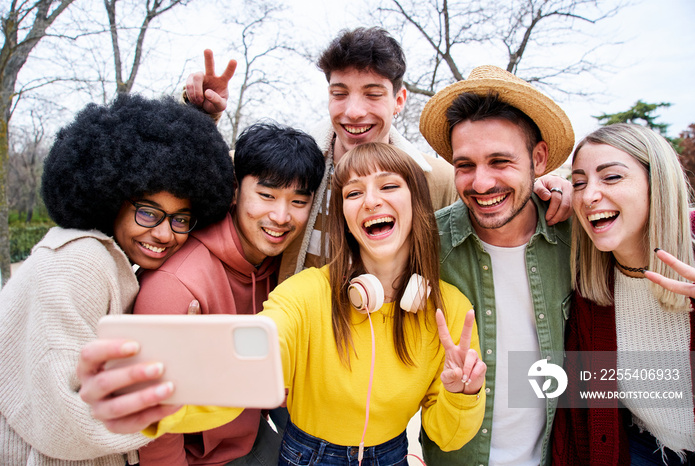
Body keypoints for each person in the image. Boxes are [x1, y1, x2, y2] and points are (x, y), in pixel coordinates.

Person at [77, 142, 488, 465]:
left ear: (417, 203)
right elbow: (244, 370)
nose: (370, 201)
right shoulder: (302, 295)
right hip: (307, 457)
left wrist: (461, 395)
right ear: (344, 214)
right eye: (354, 192)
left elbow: (447, 436)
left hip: (394, 455)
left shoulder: (449, 310)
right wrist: (157, 406)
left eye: (389, 186)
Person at [183, 29, 573, 282]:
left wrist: (549, 187)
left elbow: (492, 198)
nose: (353, 111)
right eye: (340, 93)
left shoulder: (433, 177)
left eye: (372, 94)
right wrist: (198, 116)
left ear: (399, 100)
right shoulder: (290, 164)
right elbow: (197, 178)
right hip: (292, 352)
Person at [0, 94, 234, 465]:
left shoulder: (114, 260)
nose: (164, 234)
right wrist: (183, 380)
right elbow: (66, 419)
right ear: (112, 198)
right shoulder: (80, 262)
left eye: (180, 219)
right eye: (148, 212)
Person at [133, 121, 325, 466]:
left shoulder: (281, 268)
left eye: (298, 201)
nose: (281, 216)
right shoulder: (176, 284)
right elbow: (153, 427)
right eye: (266, 196)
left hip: (251, 437)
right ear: (235, 190)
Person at [417, 65, 575, 466]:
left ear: (538, 158)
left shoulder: (576, 239)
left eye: (500, 161)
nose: (481, 183)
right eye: (465, 165)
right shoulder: (425, 245)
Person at [551, 123, 695, 465]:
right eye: (578, 183)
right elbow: (584, 407)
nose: (588, 196)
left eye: (612, 177)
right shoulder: (592, 284)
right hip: (643, 445)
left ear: (656, 182)